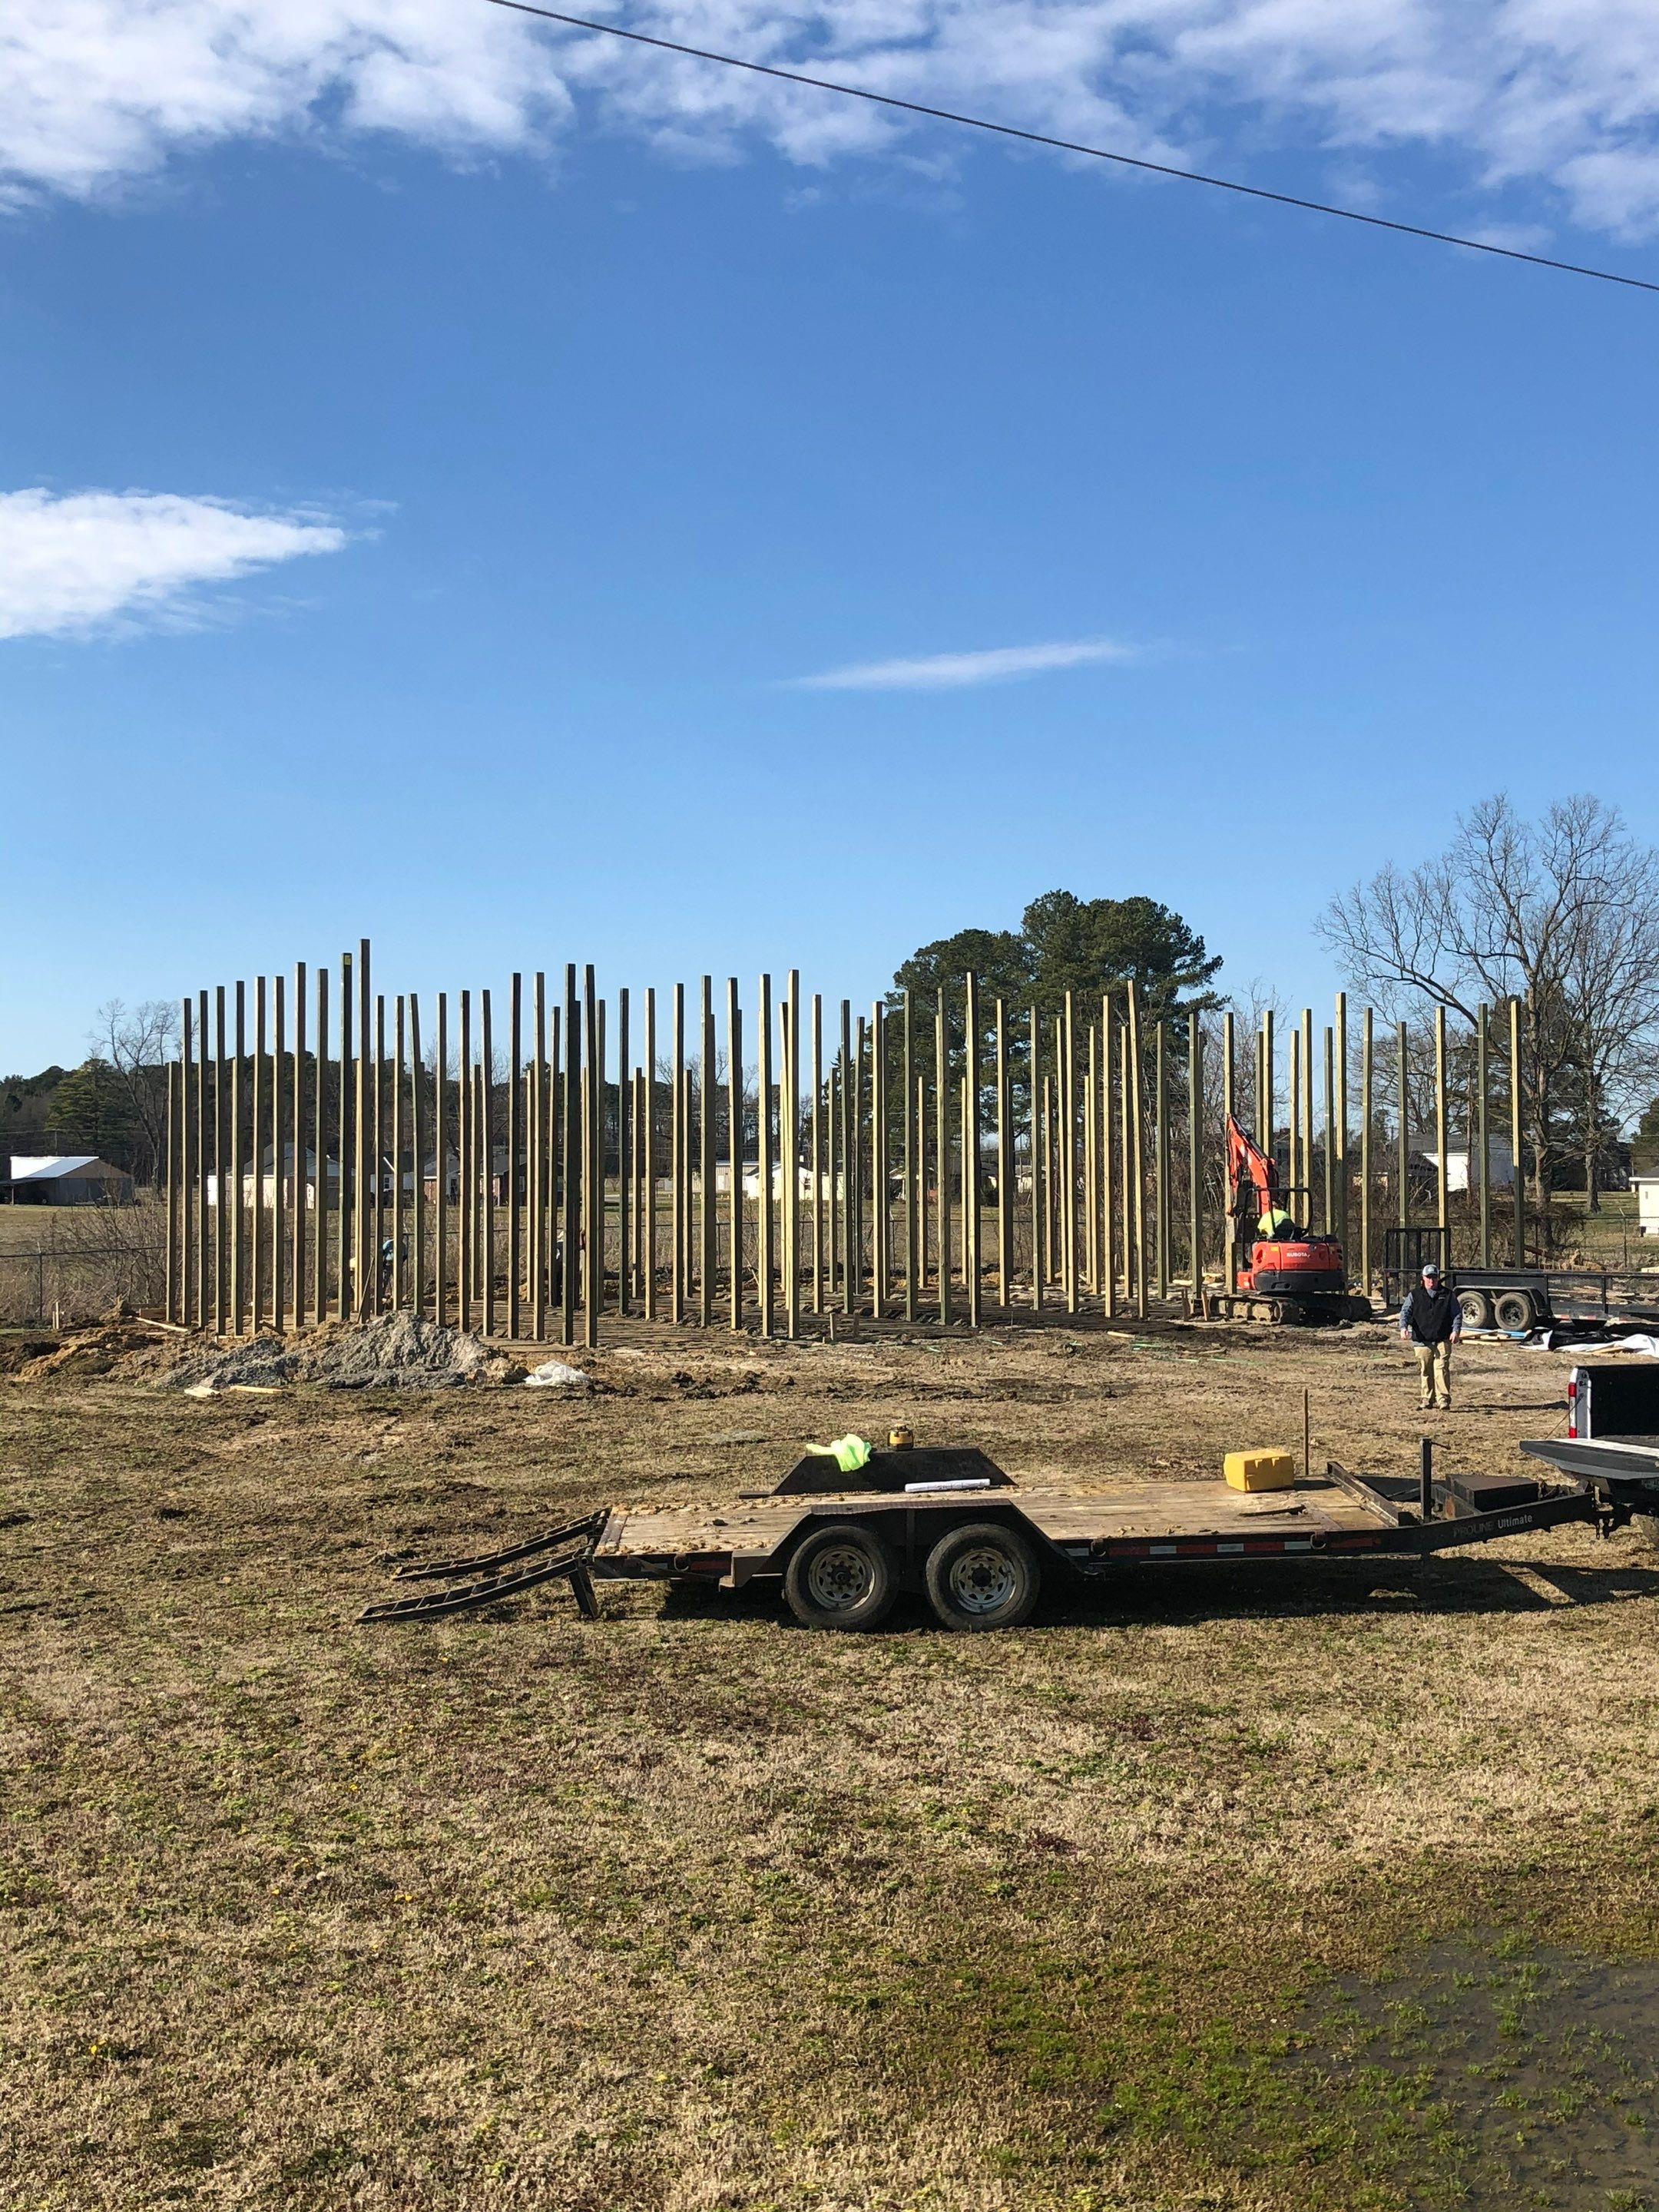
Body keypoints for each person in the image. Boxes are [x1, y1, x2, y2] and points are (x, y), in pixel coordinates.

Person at [1399, 1260, 1461, 1411]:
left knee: (1441, 1368)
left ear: (1438, 1278)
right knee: (1426, 1370)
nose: (1431, 1280)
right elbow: (1405, 1312)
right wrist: (1403, 1327)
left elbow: (1457, 1314)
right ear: (1423, 1278)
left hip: (1443, 1338)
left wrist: (1456, 1330)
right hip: (1422, 1340)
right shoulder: (1414, 1295)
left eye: (1434, 1277)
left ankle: (1443, 1400)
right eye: (1429, 1277)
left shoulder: (1448, 1295)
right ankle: (1427, 1398)